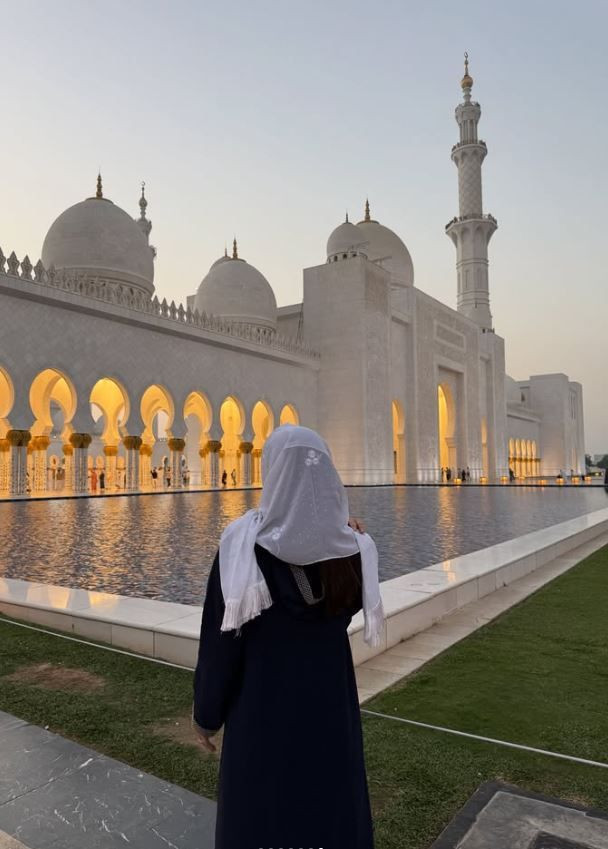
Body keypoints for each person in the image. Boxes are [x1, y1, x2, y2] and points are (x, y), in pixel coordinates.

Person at [192, 424, 382, 849]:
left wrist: (206, 715)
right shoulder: (351, 550)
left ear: (273, 472)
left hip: (262, 716)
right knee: (329, 811)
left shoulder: (242, 551)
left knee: (262, 816)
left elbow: (221, 644)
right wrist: (341, 530)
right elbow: (348, 603)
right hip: (329, 713)